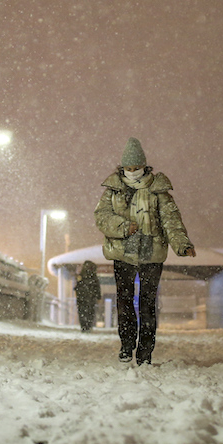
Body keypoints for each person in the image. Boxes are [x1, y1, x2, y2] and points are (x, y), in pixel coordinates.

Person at [93, 137, 195, 365]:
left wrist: (182, 244)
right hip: (122, 254)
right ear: (122, 168)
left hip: (152, 254)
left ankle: (145, 352)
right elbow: (101, 216)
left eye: (136, 168)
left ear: (144, 166)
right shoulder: (113, 190)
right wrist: (122, 227)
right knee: (125, 301)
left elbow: (171, 219)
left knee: (148, 303)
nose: (132, 172)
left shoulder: (158, 190)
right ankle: (127, 346)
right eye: (128, 168)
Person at [74, 260, 101, 332]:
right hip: (90, 298)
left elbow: (77, 287)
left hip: (82, 298)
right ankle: (88, 326)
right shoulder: (93, 277)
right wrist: (98, 296)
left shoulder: (81, 276)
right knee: (90, 312)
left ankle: (84, 326)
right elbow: (97, 287)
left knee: (82, 312)